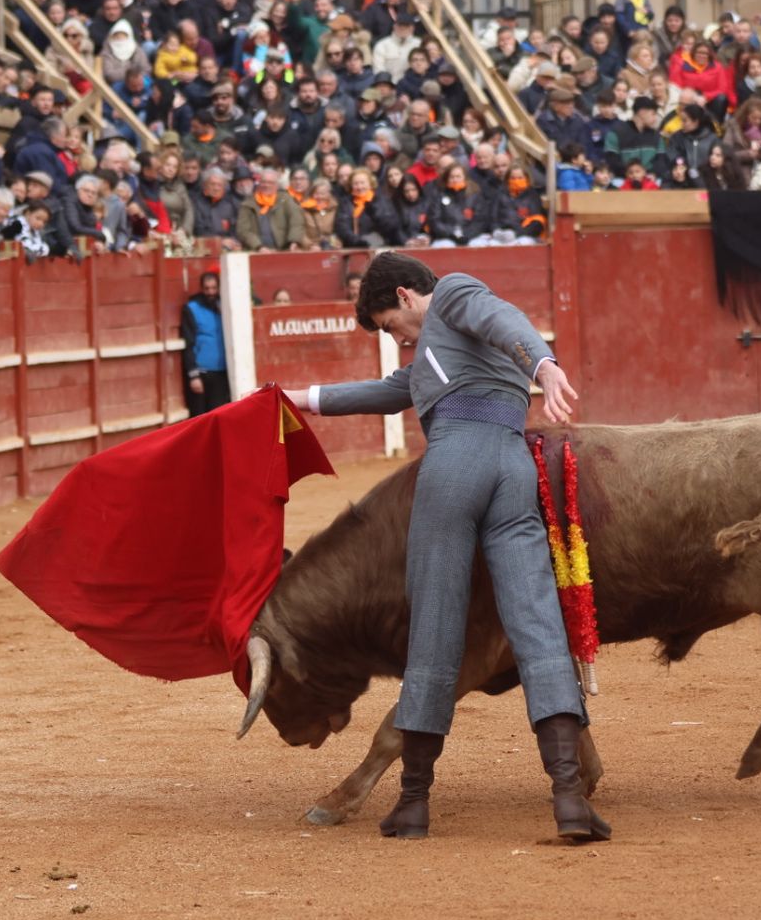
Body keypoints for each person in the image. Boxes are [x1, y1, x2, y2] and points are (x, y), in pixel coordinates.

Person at [283, 254, 608, 844]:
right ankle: (568, 802)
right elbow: (384, 393)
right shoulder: (443, 356)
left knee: (434, 631)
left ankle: (412, 804)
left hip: (455, 469)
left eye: (390, 326)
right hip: (512, 471)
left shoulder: (454, 295)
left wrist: (547, 365)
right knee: (537, 626)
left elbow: (501, 315)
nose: (397, 339)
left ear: (407, 296)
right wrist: (293, 400)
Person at [180, 271, 230, 418]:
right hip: (201, 373)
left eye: (214, 288)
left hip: (221, 373)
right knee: (200, 418)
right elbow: (188, 343)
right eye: (207, 289)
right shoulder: (191, 308)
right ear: (202, 289)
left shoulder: (225, 306)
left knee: (219, 417)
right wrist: (193, 375)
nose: (211, 292)